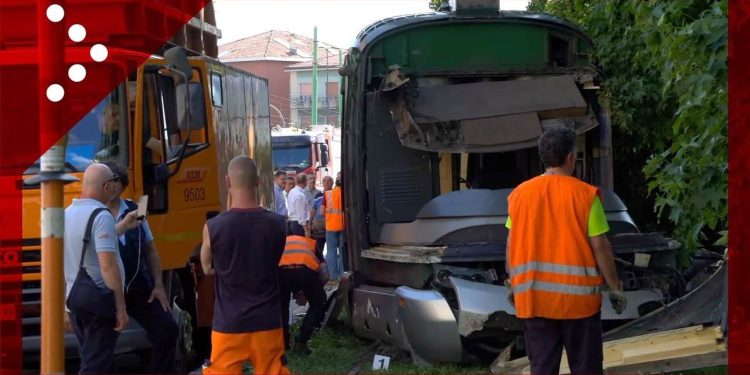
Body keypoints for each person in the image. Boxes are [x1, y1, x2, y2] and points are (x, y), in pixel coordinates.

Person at [505, 126, 627, 375]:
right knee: (586, 369)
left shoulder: (519, 195)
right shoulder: (585, 195)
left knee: (542, 368)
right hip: (579, 305)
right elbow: (600, 246)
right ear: (571, 158)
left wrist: (513, 283)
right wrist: (614, 287)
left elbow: (510, 244)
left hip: (534, 301)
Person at [200, 156, 289, 374]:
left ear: (228, 181)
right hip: (267, 320)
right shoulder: (278, 224)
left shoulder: (213, 227)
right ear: (258, 181)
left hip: (229, 323)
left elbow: (206, 268)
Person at [101, 161, 178, 373]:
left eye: (117, 181)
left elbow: (150, 250)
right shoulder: (95, 214)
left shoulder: (137, 209)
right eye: (109, 182)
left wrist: (159, 284)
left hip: (138, 288)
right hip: (107, 292)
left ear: (123, 184)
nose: (113, 186)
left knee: (168, 329)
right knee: (100, 346)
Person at [64, 163, 134, 374]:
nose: (115, 188)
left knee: (91, 360)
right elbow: (107, 265)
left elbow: (58, 264)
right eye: (113, 182)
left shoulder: (66, 214)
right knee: (96, 367)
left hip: (75, 300)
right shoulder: (101, 216)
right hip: (99, 302)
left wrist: (64, 308)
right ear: (106, 187)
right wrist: (120, 307)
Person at [278, 225, 327, 355]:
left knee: (282, 306)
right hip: (305, 273)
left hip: (281, 274)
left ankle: (283, 343)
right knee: (318, 302)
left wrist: (298, 291)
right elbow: (324, 273)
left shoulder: (281, 242)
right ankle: (301, 342)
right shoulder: (309, 242)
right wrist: (309, 292)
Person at [322, 173, 344, 281]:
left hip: (330, 227)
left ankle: (333, 277)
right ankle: (343, 275)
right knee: (342, 251)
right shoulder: (346, 193)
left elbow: (322, 212)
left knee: (331, 252)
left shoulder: (328, 194)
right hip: (344, 226)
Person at [309, 176, 333, 261]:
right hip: (319, 228)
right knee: (319, 249)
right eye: (325, 181)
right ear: (322, 183)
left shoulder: (335, 194)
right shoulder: (318, 195)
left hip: (331, 226)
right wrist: (310, 222)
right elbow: (314, 209)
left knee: (331, 249)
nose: (327, 182)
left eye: (329, 181)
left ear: (332, 183)